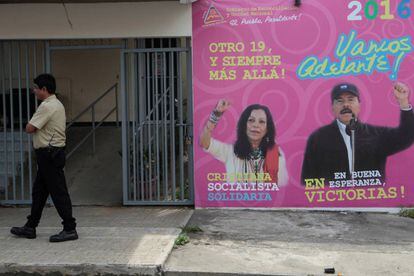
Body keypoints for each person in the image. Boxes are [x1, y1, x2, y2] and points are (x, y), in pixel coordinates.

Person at [301, 82, 414, 184]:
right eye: (340, 101)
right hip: (332, 201)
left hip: (372, 200)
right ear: (332, 107)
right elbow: (308, 179)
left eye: (351, 99)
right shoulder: (318, 138)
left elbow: (406, 136)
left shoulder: (377, 134)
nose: (346, 105)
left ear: (359, 105)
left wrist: (403, 102)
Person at [10, 74, 78, 242]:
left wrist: (30, 124)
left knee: (58, 192)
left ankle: (70, 228)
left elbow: (30, 128)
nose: (34, 91)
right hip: (50, 154)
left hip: (49, 154)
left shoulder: (47, 106)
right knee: (39, 192)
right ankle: (30, 227)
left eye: (36, 88)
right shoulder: (57, 104)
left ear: (44, 89)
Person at [200, 99, 289, 186]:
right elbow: (204, 143)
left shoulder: (276, 153)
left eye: (261, 122)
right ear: (244, 125)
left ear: (267, 128)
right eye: (251, 120)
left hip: (266, 200)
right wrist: (216, 115)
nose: (256, 125)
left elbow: (281, 186)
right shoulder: (230, 151)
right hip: (235, 200)